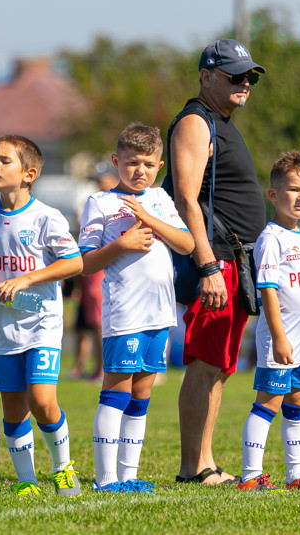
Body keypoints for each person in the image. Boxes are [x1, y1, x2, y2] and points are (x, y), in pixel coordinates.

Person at [163, 39, 266, 485]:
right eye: (235, 76)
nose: (245, 83)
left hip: (234, 261)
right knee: (206, 362)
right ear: (207, 77)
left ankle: (205, 460)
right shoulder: (194, 121)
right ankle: (193, 466)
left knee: (220, 366)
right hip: (217, 260)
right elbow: (185, 198)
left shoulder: (218, 120)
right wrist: (206, 265)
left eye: (251, 76)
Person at [0, 135, 84, 497]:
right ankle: (27, 482)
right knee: (13, 408)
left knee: (42, 400)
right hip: (2, 328)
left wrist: (27, 278)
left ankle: (63, 468)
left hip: (42, 323)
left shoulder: (46, 217)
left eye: (4, 160)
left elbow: (74, 262)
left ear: (29, 174)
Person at [78, 123, 194, 493]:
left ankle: (128, 475)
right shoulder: (101, 202)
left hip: (160, 314)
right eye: (131, 163)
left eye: (147, 163)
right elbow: (87, 262)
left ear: (159, 166)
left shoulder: (160, 199)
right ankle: (106, 478)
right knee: (117, 392)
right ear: (116, 162)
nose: (139, 170)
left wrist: (148, 218)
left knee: (142, 395)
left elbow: (187, 244)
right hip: (124, 313)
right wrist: (122, 244)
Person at [238, 150, 300, 491]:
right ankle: (250, 476)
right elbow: (268, 291)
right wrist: (279, 336)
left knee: (299, 402)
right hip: (281, 337)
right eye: (293, 189)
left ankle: (295, 475)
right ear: (273, 194)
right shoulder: (270, 238)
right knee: (268, 402)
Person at [70, 162, 117, 381]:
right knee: (93, 324)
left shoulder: (117, 204)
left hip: (104, 270)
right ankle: (98, 368)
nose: (100, 183)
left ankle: (103, 370)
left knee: (101, 324)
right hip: (91, 271)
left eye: (104, 178)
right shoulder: (94, 203)